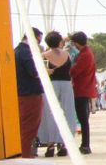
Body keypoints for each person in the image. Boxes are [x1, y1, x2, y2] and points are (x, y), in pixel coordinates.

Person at [36, 31, 79, 156]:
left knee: (49, 113)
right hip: (66, 84)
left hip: (51, 85)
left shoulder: (43, 55)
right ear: (59, 41)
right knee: (67, 112)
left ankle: (50, 145)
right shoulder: (67, 54)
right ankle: (64, 144)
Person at [14, 29, 45, 157]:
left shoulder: (17, 51)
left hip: (21, 92)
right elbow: (34, 72)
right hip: (30, 94)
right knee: (29, 127)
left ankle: (24, 153)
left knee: (24, 126)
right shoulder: (27, 53)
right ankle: (26, 154)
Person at [70, 32, 98, 155]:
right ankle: (85, 144)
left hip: (82, 88)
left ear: (76, 43)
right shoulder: (87, 52)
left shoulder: (84, 55)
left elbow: (75, 70)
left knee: (83, 119)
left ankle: (85, 145)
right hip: (85, 88)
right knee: (83, 118)